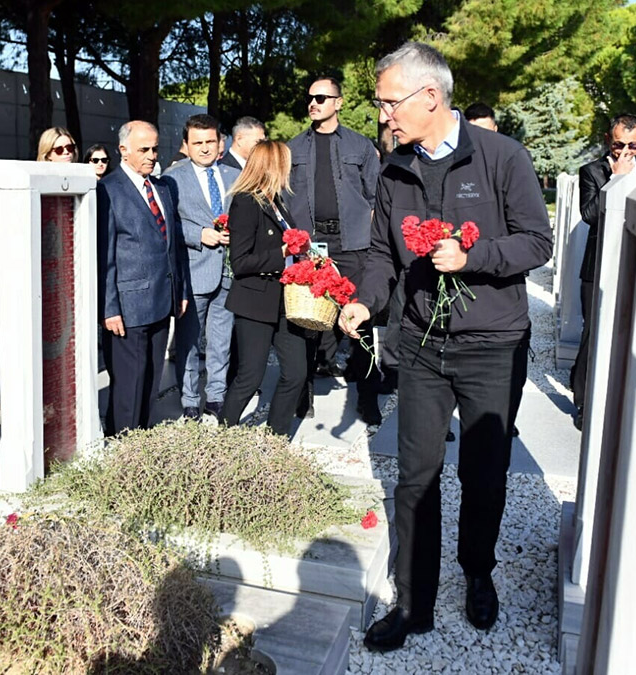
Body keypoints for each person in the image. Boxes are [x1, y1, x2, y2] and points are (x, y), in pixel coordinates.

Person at [339, 42, 552, 652]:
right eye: (380, 103)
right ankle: (414, 603)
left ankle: (478, 572)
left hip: (493, 344)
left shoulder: (502, 157)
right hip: (423, 346)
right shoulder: (394, 168)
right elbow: (382, 253)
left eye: (389, 102)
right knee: (415, 478)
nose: (383, 115)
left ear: (430, 96)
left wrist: (473, 255)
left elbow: (538, 243)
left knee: (485, 474)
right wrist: (365, 299)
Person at [286, 75, 383, 425]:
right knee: (308, 322)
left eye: (323, 97)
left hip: (353, 246)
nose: (314, 103)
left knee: (361, 325)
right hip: (312, 249)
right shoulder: (293, 148)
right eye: (310, 97)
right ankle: (303, 393)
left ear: (339, 103)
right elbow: (284, 198)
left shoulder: (360, 146)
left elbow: (376, 196)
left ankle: (368, 398)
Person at [570, 113, 636, 428]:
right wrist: (616, 180)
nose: (624, 151)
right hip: (598, 264)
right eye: (618, 144)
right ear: (606, 140)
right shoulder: (592, 171)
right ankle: (583, 404)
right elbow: (588, 215)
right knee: (592, 332)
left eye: (632, 145)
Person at [98, 121, 188, 435]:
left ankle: (142, 441)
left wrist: (181, 289)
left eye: (154, 148)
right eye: (143, 150)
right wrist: (109, 308)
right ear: (123, 150)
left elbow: (173, 245)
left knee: (151, 379)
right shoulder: (107, 190)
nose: (151, 156)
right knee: (128, 383)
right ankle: (122, 443)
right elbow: (104, 254)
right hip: (128, 306)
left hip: (162, 300)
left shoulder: (163, 188)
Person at [219, 140, 311, 437]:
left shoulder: (276, 201)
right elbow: (241, 260)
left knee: (296, 373)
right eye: (285, 163)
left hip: (285, 301)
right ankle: (222, 437)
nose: (290, 169)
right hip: (255, 303)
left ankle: (276, 439)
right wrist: (282, 253)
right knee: (250, 376)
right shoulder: (246, 201)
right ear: (273, 165)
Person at [163, 114, 240, 420]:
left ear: (221, 142)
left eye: (210, 141)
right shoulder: (172, 178)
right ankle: (190, 398)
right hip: (194, 272)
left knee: (221, 341)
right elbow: (167, 225)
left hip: (228, 271)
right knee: (189, 341)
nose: (205, 148)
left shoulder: (235, 176)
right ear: (186, 144)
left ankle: (217, 396)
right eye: (198, 143)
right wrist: (199, 235)